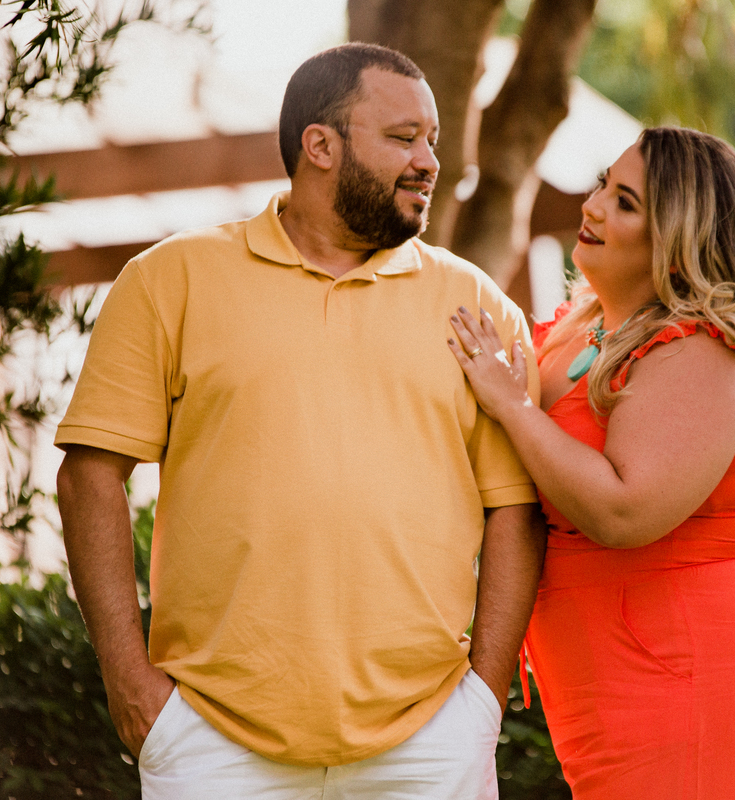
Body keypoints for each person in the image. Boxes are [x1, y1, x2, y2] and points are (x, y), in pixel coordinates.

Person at [55, 43, 545, 800]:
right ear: (320, 145)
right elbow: (90, 475)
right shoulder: (168, 280)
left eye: (432, 140)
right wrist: (130, 683)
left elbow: (515, 505)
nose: (429, 162)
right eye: (403, 137)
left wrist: (483, 696)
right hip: (211, 745)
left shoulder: (479, 307)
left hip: (428, 745)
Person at [448, 126, 735, 798]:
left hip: (697, 673)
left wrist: (512, 405)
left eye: (624, 203)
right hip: (614, 678)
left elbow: (623, 510)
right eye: (603, 185)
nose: (591, 207)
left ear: (678, 244)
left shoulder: (702, 352)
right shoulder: (575, 331)